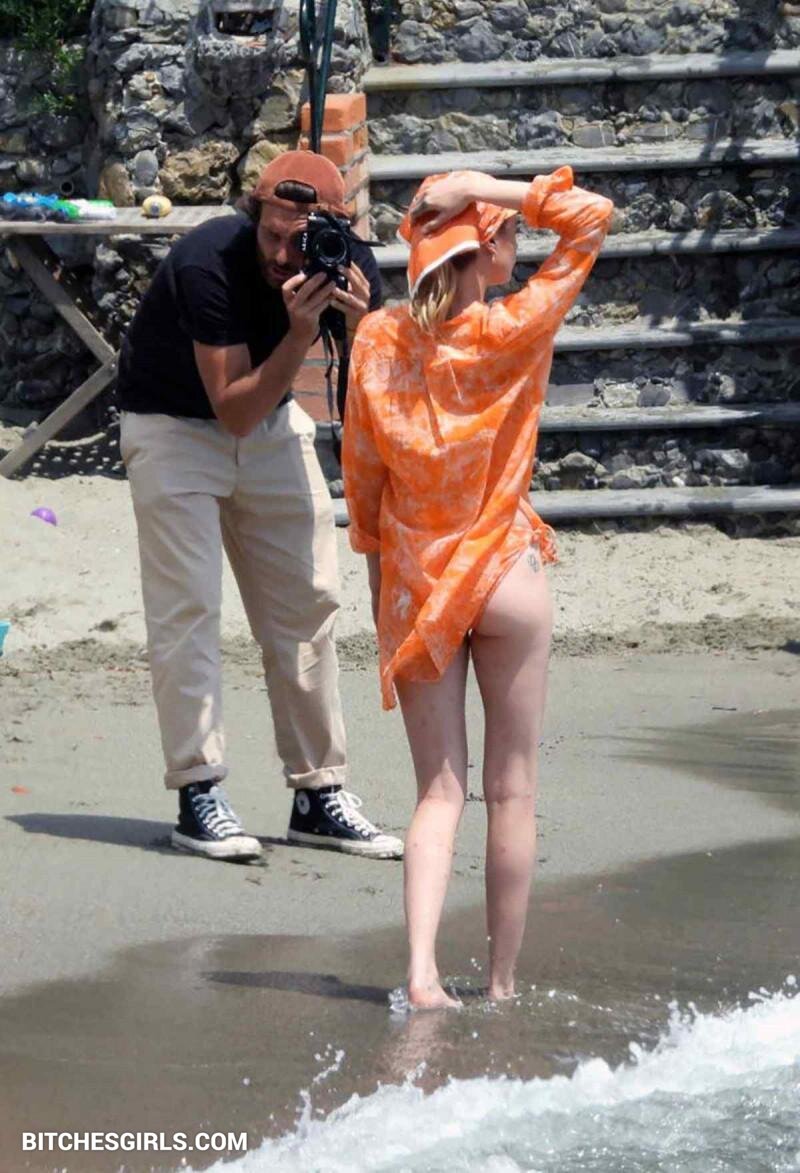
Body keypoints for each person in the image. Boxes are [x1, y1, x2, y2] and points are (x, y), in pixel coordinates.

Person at [342, 166, 613, 1006]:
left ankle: (422, 972)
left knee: (438, 791)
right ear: (486, 244)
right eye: (510, 234)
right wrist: (488, 182)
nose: (520, 247)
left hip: (420, 585)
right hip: (504, 574)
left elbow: (364, 489)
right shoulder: (514, 328)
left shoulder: (377, 340)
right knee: (514, 790)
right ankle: (500, 983)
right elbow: (592, 218)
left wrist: (383, 595)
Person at [117, 150, 404, 863]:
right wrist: (302, 334)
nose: (280, 255)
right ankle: (198, 792)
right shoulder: (206, 260)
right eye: (271, 233)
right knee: (189, 608)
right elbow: (233, 409)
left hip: (271, 423)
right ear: (255, 214)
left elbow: (383, 389)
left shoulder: (350, 266)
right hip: (174, 425)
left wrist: (364, 329)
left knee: (308, 601)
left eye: (296, 240)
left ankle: (319, 793)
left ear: (332, 230)